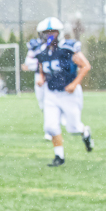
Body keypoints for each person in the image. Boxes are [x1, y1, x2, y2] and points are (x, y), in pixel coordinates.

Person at [34, 17, 94, 166]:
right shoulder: (42, 51)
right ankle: (59, 157)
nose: (48, 35)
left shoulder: (68, 48)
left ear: (58, 33)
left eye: (51, 32)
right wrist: (41, 78)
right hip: (51, 93)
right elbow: (43, 68)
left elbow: (86, 66)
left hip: (68, 94)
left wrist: (74, 84)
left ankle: (84, 132)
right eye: (45, 33)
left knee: (73, 127)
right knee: (50, 126)